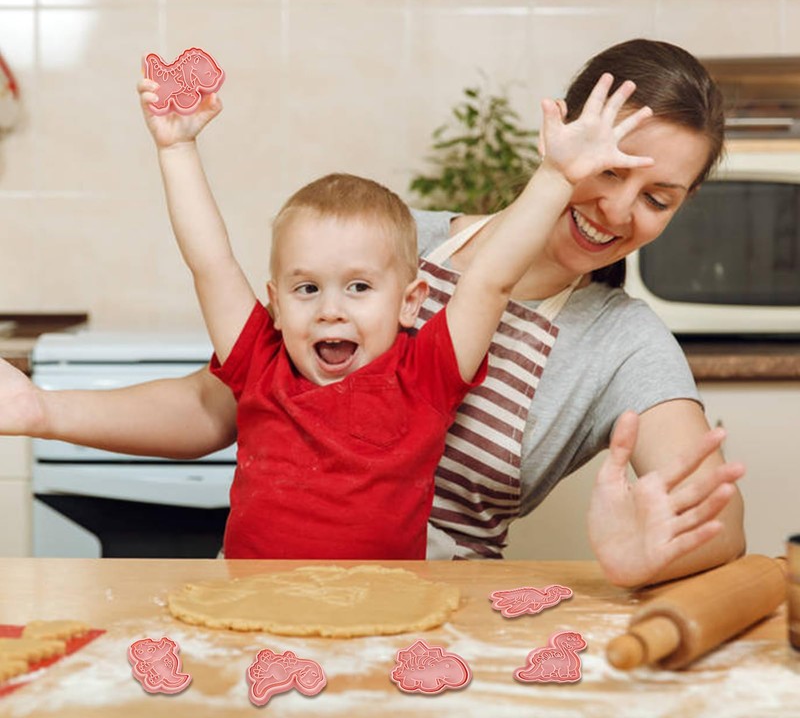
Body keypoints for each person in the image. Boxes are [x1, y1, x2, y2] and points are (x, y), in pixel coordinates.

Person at [0, 39, 745, 586]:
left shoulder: (622, 341)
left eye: (657, 198)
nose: (617, 208)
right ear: (560, 135)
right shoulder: (387, 243)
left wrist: (653, 552)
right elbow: (221, 395)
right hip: (261, 594)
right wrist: (40, 409)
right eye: (609, 168)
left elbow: (722, 520)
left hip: (428, 614)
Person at [134, 65, 651, 561]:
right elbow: (211, 262)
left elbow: (492, 279)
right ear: (275, 304)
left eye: (358, 287)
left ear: (410, 302)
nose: (330, 311)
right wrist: (177, 149)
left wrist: (557, 178)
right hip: (251, 609)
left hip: (386, 615)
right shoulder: (259, 364)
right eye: (307, 289)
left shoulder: (424, 378)